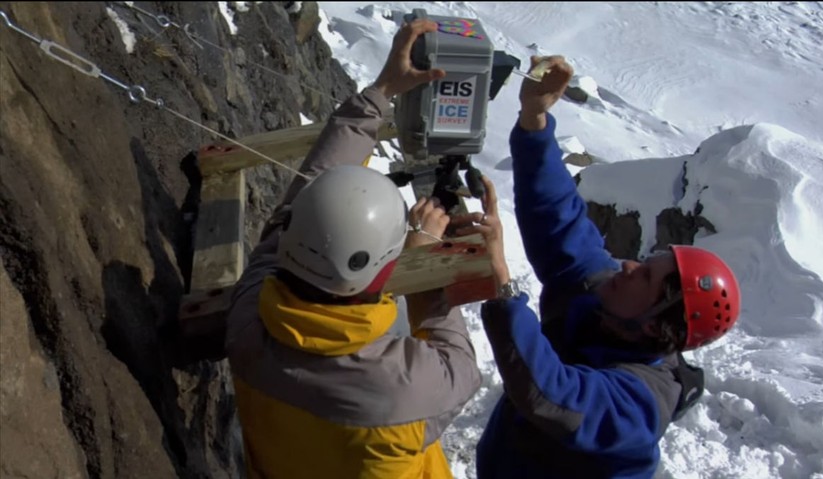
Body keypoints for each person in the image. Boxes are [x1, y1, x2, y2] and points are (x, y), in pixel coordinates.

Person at [458, 56, 742, 478]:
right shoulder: (604, 295)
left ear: (653, 324)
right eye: (644, 262)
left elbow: (549, 393)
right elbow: (560, 221)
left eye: (645, 275)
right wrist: (535, 121)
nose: (628, 265)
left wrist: (501, 282)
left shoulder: (641, 403)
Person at [225, 19, 482, 479]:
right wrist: (422, 257)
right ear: (385, 274)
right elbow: (461, 367)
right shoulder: (400, 391)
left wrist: (380, 91)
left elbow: (305, 201)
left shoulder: (249, 321)